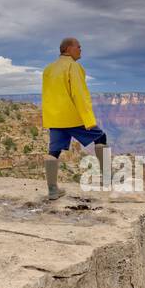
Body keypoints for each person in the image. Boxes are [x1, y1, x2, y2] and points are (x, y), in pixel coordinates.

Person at [40, 36, 107, 200]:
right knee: (101, 137)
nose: (80, 50)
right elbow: (80, 94)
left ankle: (53, 190)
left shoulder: (48, 69)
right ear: (68, 49)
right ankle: (108, 178)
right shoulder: (73, 67)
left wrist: (49, 117)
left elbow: (47, 95)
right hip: (73, 116)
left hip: (56, 118)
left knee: (53, 152)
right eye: (78, 47)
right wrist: (89, 119)